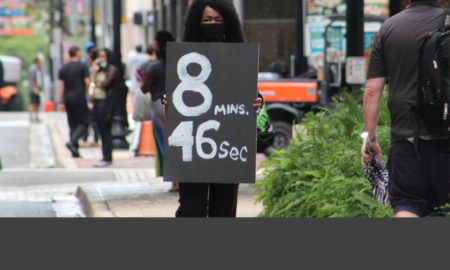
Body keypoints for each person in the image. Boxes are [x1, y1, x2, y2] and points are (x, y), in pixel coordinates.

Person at [162, 0, 263, 217]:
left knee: (224, 211)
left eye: (218, 20)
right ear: (197, 22)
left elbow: (247, 93)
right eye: (207, 20)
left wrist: (257, 102)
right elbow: (177, 96)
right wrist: (169, 100)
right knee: (191, 209)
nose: (213, 24)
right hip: (192, 151)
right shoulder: (184, 58)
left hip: (228, 148)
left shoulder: (239, 58)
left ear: (228, 23)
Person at [361, 0, 449, 218]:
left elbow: (372, 90)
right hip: (446, 134)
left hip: (406, 139)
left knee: (407, 204)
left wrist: (370, 139)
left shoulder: (389, 28)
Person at [141, 31, 175, 190]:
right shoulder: (179, 63)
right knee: (180, 143)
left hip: (158, 105)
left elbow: (144, 87)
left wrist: (153, 86)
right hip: (178, 106)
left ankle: (175, 182)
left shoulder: (154, 67)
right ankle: (183, 180)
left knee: (165, 144)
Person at [58, 46, 91, 158]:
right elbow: (87, 82)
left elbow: (60, 85)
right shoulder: (83, 66)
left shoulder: (64, 68)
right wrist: (90, 94)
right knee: (84, 122)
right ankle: (72, 141)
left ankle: (74, 151)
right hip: (79, 98)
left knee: (72, 124)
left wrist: (60, 101)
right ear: (77, 53)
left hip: (68, 98)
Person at [91, 49, 118, 168]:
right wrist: (95, 72)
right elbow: (92, 83)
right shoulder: (98, 71)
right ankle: (104, 155)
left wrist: (96, 82)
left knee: (106, 130)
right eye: (99, 56)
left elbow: (104, 85)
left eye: (103, 56)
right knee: (101, 129)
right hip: (97, 102)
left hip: (106, 103)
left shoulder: (112, 70)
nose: (101, 59)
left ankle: (107, 157)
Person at [28, 57, 44, 123]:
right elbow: (31, 79)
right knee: (33, 102)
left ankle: (36, 116)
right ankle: (31, 116)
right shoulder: (32, 69)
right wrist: (34, 88)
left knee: (37, 103)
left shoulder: (38, 69)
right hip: (33, 89)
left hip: (37, 88)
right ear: (36, 61)